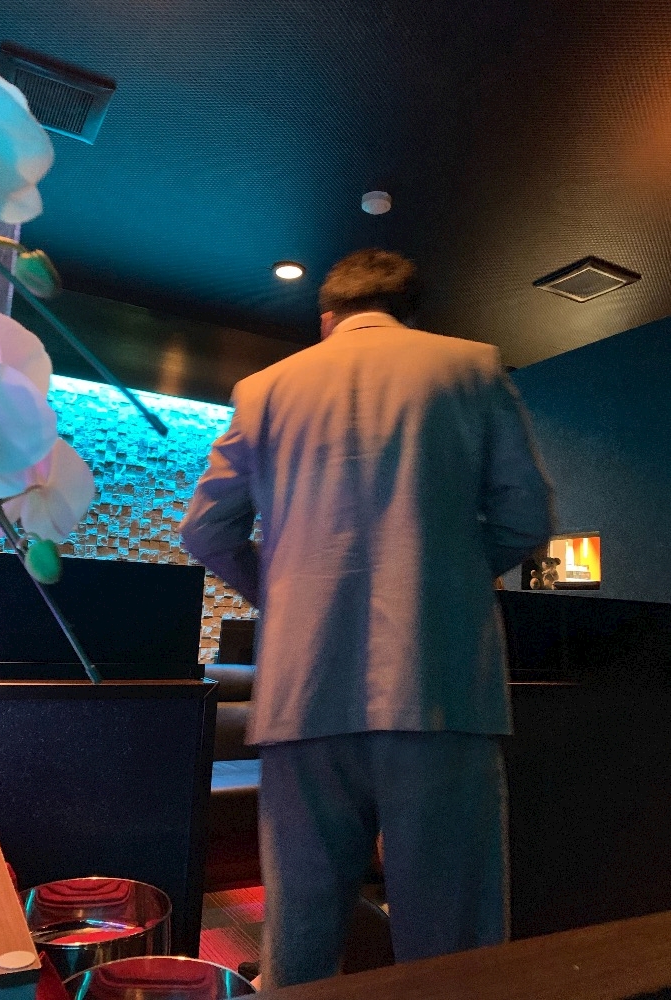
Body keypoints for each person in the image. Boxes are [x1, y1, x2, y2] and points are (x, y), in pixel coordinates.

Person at [181, 249, 553, 988]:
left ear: (327, 318)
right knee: (452, 952)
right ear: (411, 314)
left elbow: (206, 531)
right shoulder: (473, 368)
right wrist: (444, 583)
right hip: (440, 688)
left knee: (300, 942)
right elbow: (527, 520)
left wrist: (285, 596)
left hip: (302, 696)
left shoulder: (265, 388)